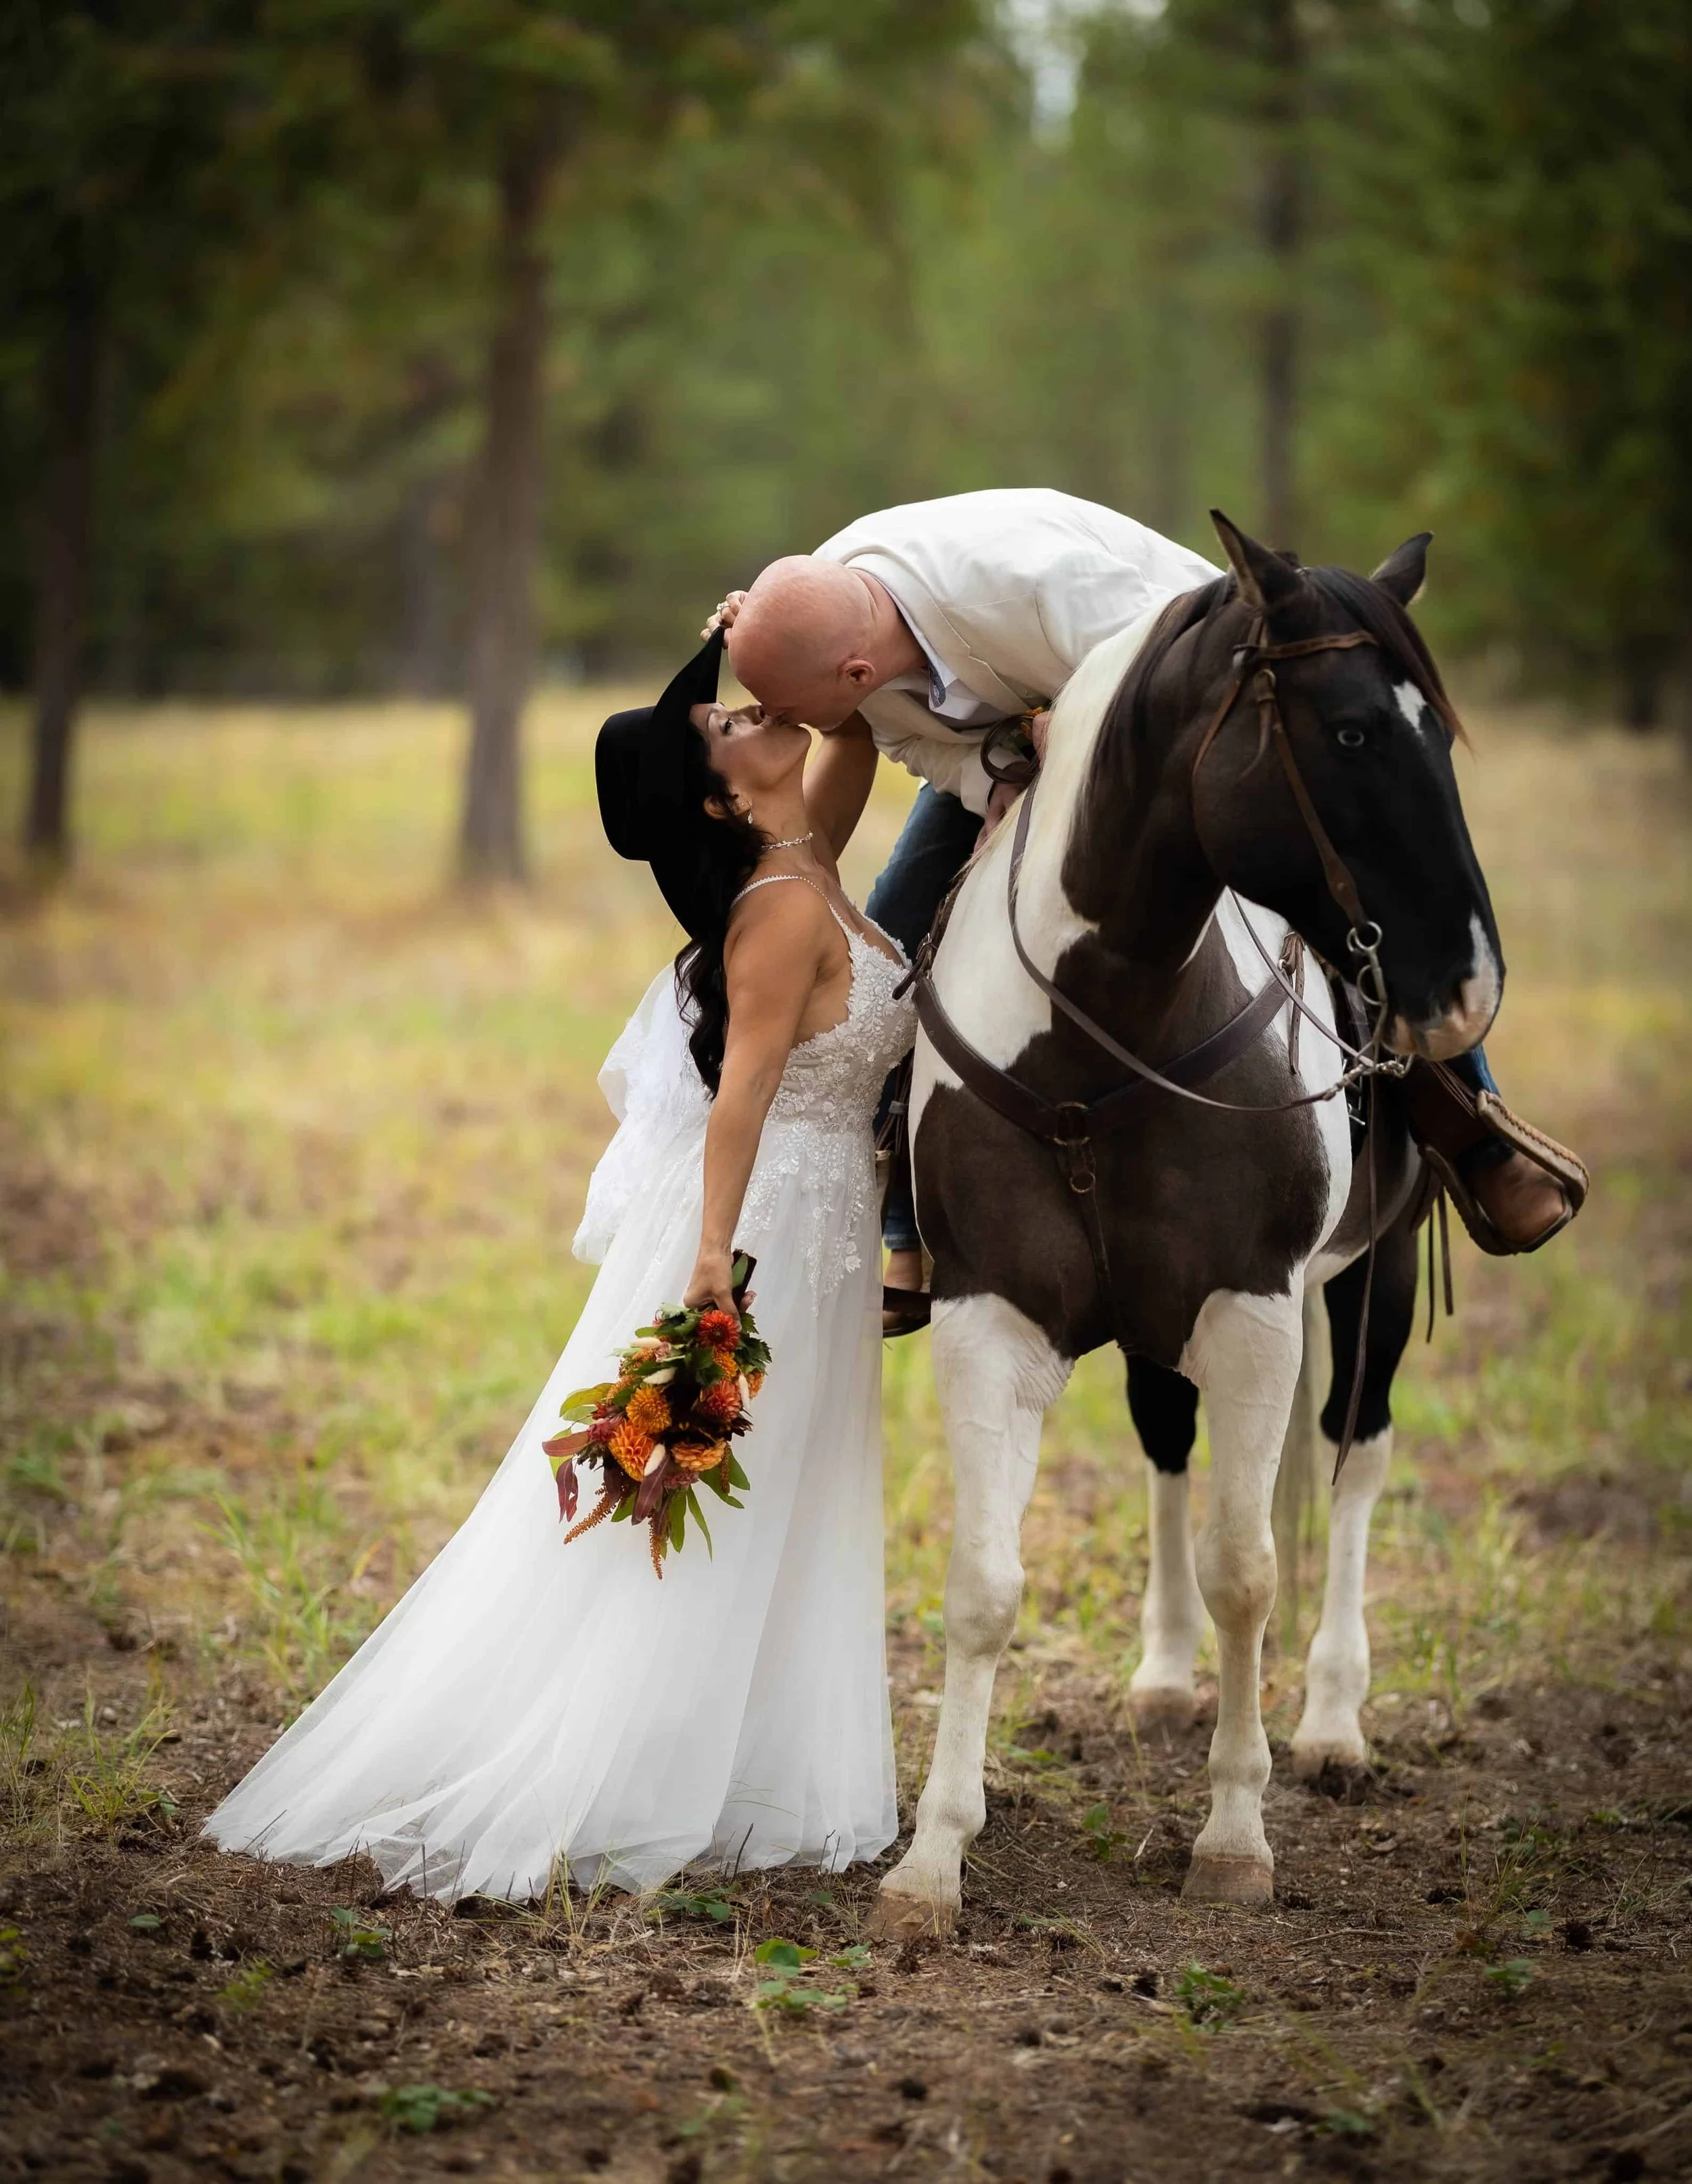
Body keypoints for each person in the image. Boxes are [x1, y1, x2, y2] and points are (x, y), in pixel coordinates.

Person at [204, 631, 911, 1901]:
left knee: (794, 1488)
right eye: (728, 721)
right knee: (696, 1491)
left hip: (830, 1227)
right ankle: (614, 1758)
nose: (750, 712)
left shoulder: (811, 853)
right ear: (717, 793)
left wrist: (781, 630)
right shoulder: (785, 908)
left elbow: (853, 724)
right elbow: (742, 1100)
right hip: (767, 1234)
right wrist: (710, 1261)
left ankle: (745, 1753)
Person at [706, 488, 1581, 1317]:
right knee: (889, 946)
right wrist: (998, 779)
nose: (776, 722)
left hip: (1184, 696)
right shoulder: (822, 620)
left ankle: (1478, 1128)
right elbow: (922, 749)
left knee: (1325, 884)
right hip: (1015, 740)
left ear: (852, 669)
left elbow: (1174, 669)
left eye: (784, 709)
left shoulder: (1028, 578)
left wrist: (1068, 745)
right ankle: (909, 1220)